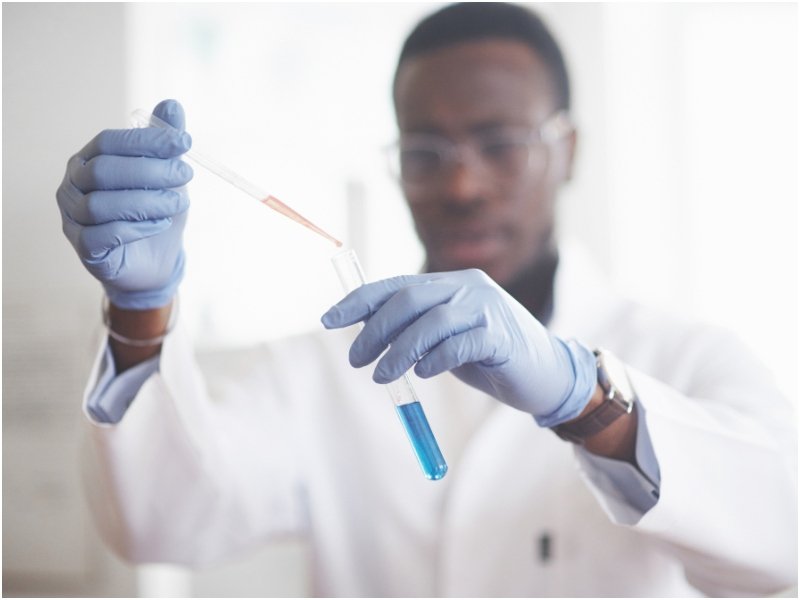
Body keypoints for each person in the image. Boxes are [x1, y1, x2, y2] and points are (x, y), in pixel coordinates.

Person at [57, 3, 796, 596]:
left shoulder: (684, 355)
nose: (460, 186)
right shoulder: (322, 368)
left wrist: (586, 400)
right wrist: (140, 309)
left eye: (500, 143)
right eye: (423, 152)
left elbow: (782, 543)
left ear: (568, 150)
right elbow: (160, 523)